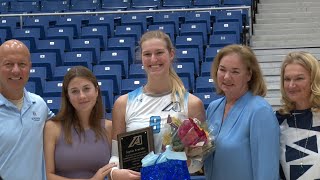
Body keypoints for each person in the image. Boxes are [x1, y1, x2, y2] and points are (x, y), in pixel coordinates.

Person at [109, 30, 206, 179]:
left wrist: (183, 162)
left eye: (159, 52)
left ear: (171, 54)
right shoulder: (123, 103)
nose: (153, 59)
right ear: (141, 58)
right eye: (147, 54)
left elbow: (199, 162)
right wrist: (114, 173)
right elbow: (116, 157)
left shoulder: (192, 104)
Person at [204, 44, 280, 180]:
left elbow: (267, 169)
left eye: (235, 71)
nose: (226, 77)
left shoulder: (260, 111)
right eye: (222, 70)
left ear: (249, 75)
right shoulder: (213, 108)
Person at [44, 66, 117, 179]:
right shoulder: (52, 127)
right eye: (75, 91)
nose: (82, 96)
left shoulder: (109, 127)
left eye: (86, 89)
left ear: (96, 91)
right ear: (68, 96)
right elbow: (48, 176)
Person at [0, 39, 54, 179]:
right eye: (8, 64)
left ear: (30, 67)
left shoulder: (40, 104)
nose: (16, 70)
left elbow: (65, 129)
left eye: (22, 64)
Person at [276, 51, 320, 180]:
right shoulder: (277, 120)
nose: (291, 85)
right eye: (287, 79)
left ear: (314, 79)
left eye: (299, 78)